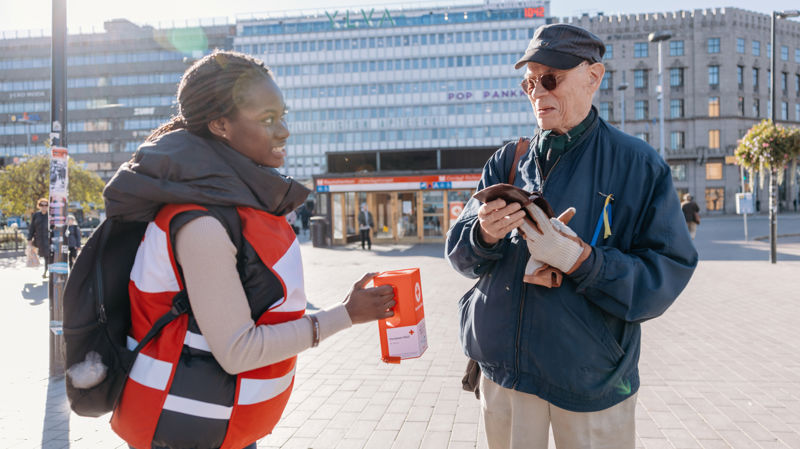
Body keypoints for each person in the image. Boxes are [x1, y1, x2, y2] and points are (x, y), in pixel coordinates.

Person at [102, 50, 396, 449]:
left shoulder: (226, 203)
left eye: (283, 115)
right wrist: (345, 315)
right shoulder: (202, 222)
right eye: (268, 120)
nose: (284, 131)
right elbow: (238, 351)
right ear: (221, 125)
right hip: (185, 433)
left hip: (214, 424)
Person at [446, 24, 698, 449]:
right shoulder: (507, 161)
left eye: (550, 79)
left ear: (593, 77)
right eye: (529, 82)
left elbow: (666, 274)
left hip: (590, 384)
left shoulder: (638, 165)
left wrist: (579, 259)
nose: (537, 92)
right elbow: (459, 254)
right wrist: (483, 235)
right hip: (505, 377)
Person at [28, 198, 50, 278]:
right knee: (44, 256)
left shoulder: (50, 215)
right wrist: (29, 239)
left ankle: (46, 271)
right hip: (38, 240)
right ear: (39, 206)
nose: (44, 207)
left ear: (48, 206)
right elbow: (32, 228)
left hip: (48, 240)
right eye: (42, 205)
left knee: (47, 256)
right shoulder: (36, 215)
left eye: (46, 205)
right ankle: (46, 270)